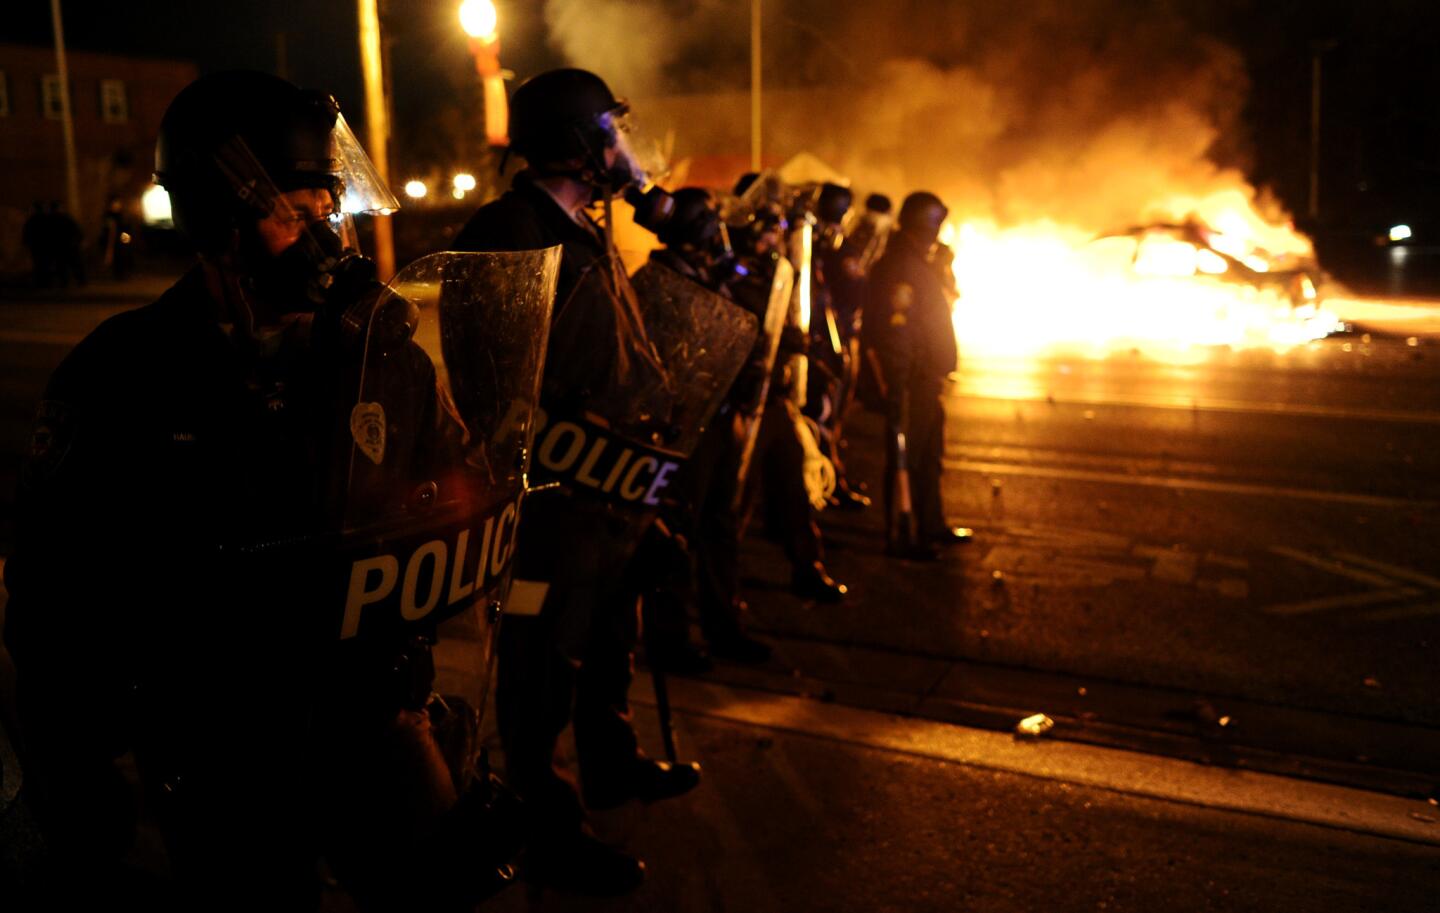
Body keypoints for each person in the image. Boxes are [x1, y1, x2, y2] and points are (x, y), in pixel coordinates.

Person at [4, 71, 531, 912]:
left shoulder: (380, 354)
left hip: (373, 720)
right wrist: (79, 775)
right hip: (221, 748)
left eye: (332, 208)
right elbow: (51, 597)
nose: (330, 239)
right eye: (299, 212)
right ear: (217, 217)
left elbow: (458, 486)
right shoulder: (121, 373)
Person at [451, 68, 704, 897]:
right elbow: (488, 376)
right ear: (574, 142)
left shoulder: (585, 228)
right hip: (549, 502)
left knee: (608, 641)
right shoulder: (513, 231)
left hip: (609, 492)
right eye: (610, 132)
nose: (623, 150)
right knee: (539, 669)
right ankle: (547, 828)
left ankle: (611, 763)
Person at [864, 191, 973, 560]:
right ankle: (902, 532)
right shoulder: (900, 265)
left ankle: (931, 524)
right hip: (910, 377)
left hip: (927, 377)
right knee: (904, 456)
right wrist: (900, 379)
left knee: (928, 455)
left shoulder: (919, 261)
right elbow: (894, 328)